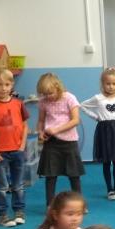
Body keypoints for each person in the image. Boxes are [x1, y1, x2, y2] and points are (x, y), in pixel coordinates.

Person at [0, 67, 29, 226]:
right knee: (1, 187)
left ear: (12, 85)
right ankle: (2, 215)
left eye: (7, 84)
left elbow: (25, 126)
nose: (3, 88)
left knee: (18, 185)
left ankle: (19, 211)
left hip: (17, 151)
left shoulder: (18, 104)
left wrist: (22, 145)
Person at [80, 67, 115, 201]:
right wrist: (95, 116)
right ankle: (109, 189)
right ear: (103, 84)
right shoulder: (98, 98)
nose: (111, 86)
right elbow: (82, 105)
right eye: (108, 84)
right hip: (104, 131)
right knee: (106, 161)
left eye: (114, 84)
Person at [36, 72, 84, 206]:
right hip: (51, 143)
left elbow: (75, 120)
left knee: (74, 175)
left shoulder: (69, 98)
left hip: (69, 142)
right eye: (44, 94)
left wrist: (57, 130)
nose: (48, 97)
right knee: (50, 175)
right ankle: (50, 205)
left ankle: (79, 204)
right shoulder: (43, 102)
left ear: (58, 87)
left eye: (50, 93)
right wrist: (40, 132)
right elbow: (41, 120)